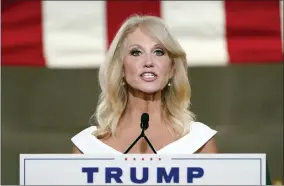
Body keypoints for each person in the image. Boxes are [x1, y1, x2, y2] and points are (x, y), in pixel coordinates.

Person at [71, 15, 217, 154]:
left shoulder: (198, 142)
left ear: (172, 69)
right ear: (121, 68)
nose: (149, 62)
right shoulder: (88, 147)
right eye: (136, 52)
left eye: (158, 52)